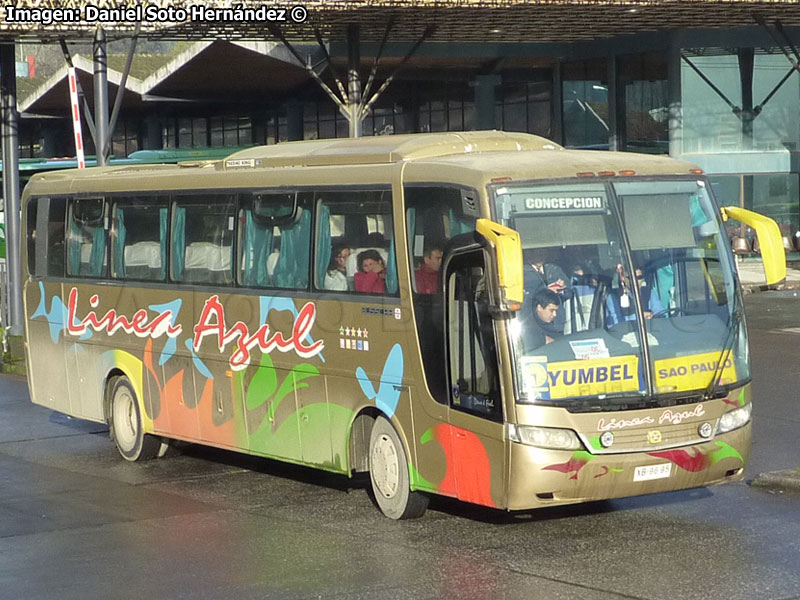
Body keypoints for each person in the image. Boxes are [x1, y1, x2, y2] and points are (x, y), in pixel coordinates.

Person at [523, 247, 570, 333]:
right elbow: (524, 298)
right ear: (529, 253)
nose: (541, 254)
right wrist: (545, 291)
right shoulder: (523, 272)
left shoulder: (554, 269)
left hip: (557, 323)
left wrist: (562, 289)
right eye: (537, 251)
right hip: (535, 324)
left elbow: (569, 293)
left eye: (543, 251)